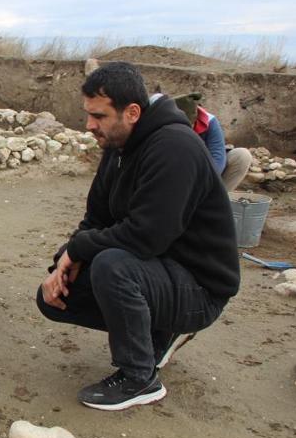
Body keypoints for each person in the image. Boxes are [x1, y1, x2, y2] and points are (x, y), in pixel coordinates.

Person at [37, 62, 240, 411]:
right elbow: (95, 219)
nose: (89, 125)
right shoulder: (117, 148)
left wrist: (78, 249)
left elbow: (147, 237)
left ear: (132, 112)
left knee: (113, 266)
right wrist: (62, 263)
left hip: (200, 288)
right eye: (88, 115)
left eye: (98, 116)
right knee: (54, 296)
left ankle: (139, 377)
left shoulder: (174, 148)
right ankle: (160, 334)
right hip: (159, 273)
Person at [170, 92, 252, 192]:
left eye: (189, 126)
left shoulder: (210, 122)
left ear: (195, 120)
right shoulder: (166, 124)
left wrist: (201, 186)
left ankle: (219, 201)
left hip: (204, 172)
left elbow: (218, 158)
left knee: (242, 155)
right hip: (178, 175)